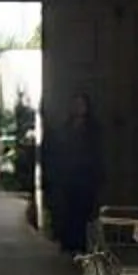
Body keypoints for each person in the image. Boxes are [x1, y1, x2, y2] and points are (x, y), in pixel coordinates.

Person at [43, 91, 104, 258]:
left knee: (85, 212)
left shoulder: (93, 130)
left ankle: (84, 246)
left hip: (86, 178)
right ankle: (69, 244)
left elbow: (98, 154)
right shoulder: (65, 128)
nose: (78, 108)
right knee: (68, 212)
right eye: (75, 104)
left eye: (81, 104)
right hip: (68, 178)